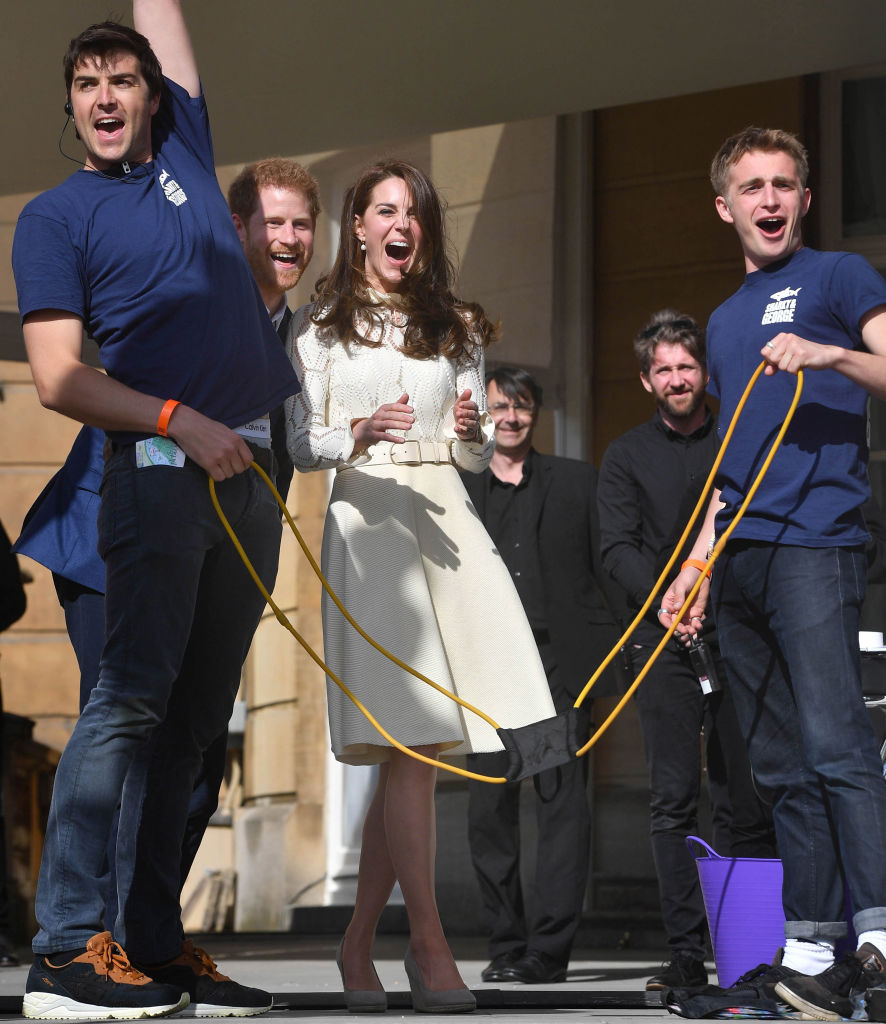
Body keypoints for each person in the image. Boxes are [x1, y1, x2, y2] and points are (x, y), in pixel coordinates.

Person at [11, 2, 298, 1018]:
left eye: (122, 78)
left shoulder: (185, 147)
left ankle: (151, 941)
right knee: (128, 702)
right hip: (163, 460)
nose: (105, 95)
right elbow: (56, 378)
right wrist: (179, 418)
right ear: (69, 102)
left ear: (150, 97)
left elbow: (161, 18)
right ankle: (62, 952)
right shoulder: (54, 217)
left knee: (193, 722)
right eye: (86, 81)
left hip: (252, 471)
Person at [285, 159, 557, 1014]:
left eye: (415, 214)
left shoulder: (458, 327)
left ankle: (359, 945)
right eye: (384, 210)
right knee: (412, 743)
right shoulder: (316, 328)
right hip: (368, 524)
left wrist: (472, 434)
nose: (401, 226)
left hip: (448, 523)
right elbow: (301, 444)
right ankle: (431, 949)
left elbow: (474, 455)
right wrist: (357, 433)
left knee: (421, 748)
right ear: (357, 227)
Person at [661, 127, 886, 1020]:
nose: (769, 199)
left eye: (784, 184)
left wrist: (827, 352)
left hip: (816, 543)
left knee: (837, 747)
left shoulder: (840, 278)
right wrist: (696, 565)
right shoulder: (719, 322)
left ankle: (876, 942)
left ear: (801, 197)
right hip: (743, 555)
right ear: (725, 206)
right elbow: (732, 464)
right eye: (751, 186)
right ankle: (806, 947)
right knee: (781, 767)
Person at [597, 310, 776, 992]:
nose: (677, 379)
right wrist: (669, 598)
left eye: (687, 367)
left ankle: (751, 953)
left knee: (742, 797)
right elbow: (615, 548)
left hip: (738, 632)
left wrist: (705, 593)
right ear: (646, 380)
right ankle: (685, 955)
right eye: (664, 370)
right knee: (673, 801)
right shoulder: (624, 456)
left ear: (705, 372)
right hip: (661, 641)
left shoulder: (736, 433)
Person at [459, 365, 619, 985]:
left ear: (536, 412)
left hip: (556, 669)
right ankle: (505, 945)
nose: (511, 417)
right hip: (485, 670)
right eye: (500, 406)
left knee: (560, 808)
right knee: (488, 811)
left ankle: (548, 952)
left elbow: (605, 572)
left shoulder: (578, 483)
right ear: (485, 413)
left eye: (521, 406)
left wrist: (629, 645)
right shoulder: (462, 490)